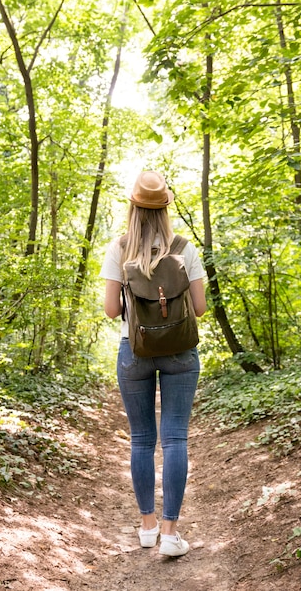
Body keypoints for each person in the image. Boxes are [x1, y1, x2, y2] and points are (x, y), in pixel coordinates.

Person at [100, 170, 207, 557]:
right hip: (180, 352)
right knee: (175, 438)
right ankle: (171, 533)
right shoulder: (184, 248)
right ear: (165, 209)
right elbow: (200, 307)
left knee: (142, 440)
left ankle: (146, 527)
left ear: (133, 207)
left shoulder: (120, 249)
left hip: (134, 351)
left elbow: (112, 310)